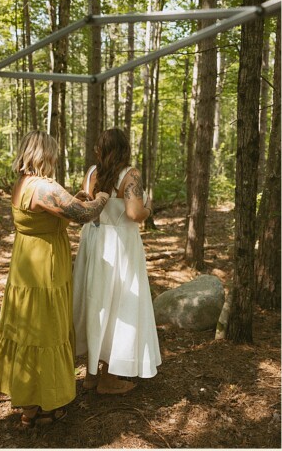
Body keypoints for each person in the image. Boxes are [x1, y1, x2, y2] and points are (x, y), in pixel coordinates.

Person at [0, 131, 111, 428]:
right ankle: (44, 407)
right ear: (47, 155)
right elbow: (83, 214)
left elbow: (54, 210)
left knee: (26, 330)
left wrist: (73, 199)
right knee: (45, 332)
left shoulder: (22, 184)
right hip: (44, 270)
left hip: (25, 265)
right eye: (53, 153)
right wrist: (103, 196)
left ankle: (29, 405)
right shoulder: (44, 187)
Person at [73, 128, 161, 394]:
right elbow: (135, 213)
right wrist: (149, 207)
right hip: (120, 245)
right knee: (120, 306)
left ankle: (91, 373)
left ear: (100, 149)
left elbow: (87, 202)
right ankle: (110, 378)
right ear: (124, 149)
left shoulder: (91, 173)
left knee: (96, 303)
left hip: (94, 241)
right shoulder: (129, 175)